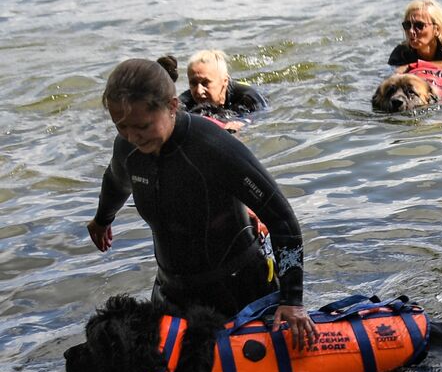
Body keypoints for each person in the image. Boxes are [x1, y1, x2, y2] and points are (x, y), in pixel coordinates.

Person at [87, 58, 315, 349]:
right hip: (171, 295)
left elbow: (282, 218)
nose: (132, 136)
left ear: (171, 106)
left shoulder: (212, 146)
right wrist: (102, 219)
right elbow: (117, 181)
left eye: (142, 126)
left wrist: (292, 300)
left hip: (240, 293)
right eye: (121, 127)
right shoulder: (128, 149)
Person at [169, 50, 267, 133]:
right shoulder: (186, 100)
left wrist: (243, 123)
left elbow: (260, 115)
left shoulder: (247, 97)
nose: (199, 91)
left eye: (205, 83)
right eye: (193, 83)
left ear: (224, 81)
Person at [388, 0, 442, 68]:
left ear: (437, 30)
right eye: (407, 25)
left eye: (419, 25)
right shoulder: (400, 54)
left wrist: (415, 66)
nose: (411, 31)